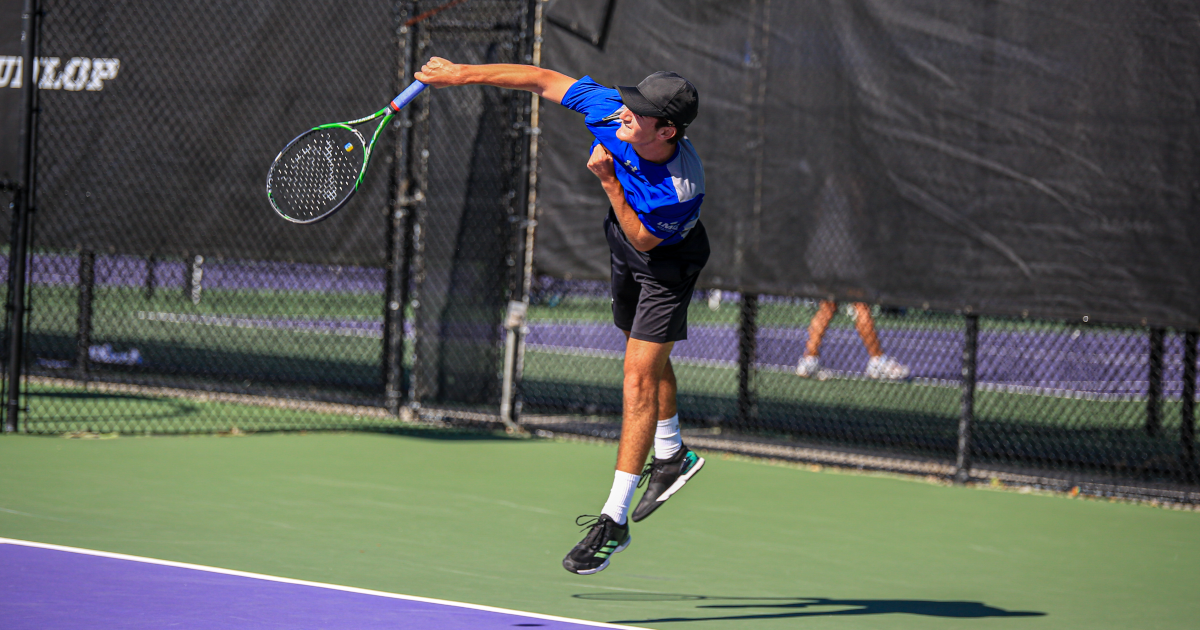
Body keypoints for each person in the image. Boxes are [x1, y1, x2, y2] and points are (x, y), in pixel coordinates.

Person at [415, 59, 708, 575]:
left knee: (636, 377)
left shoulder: (679, 189)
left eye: (640, 114)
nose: (626, 115)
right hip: (623, 245)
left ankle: (612, 521)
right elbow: (544, 79)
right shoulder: (615, 117)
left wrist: (610, 182)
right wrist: (460, 73)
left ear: (667, 131)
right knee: (641, 355)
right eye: (629, 105)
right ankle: (672, 453)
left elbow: (646, 238)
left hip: (666, 260)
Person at [795, 300, 910, 380]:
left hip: (828, 268)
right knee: (861, 306)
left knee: (827, 307)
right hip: (848, 269)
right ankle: (878, 360)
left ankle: (809, 359)